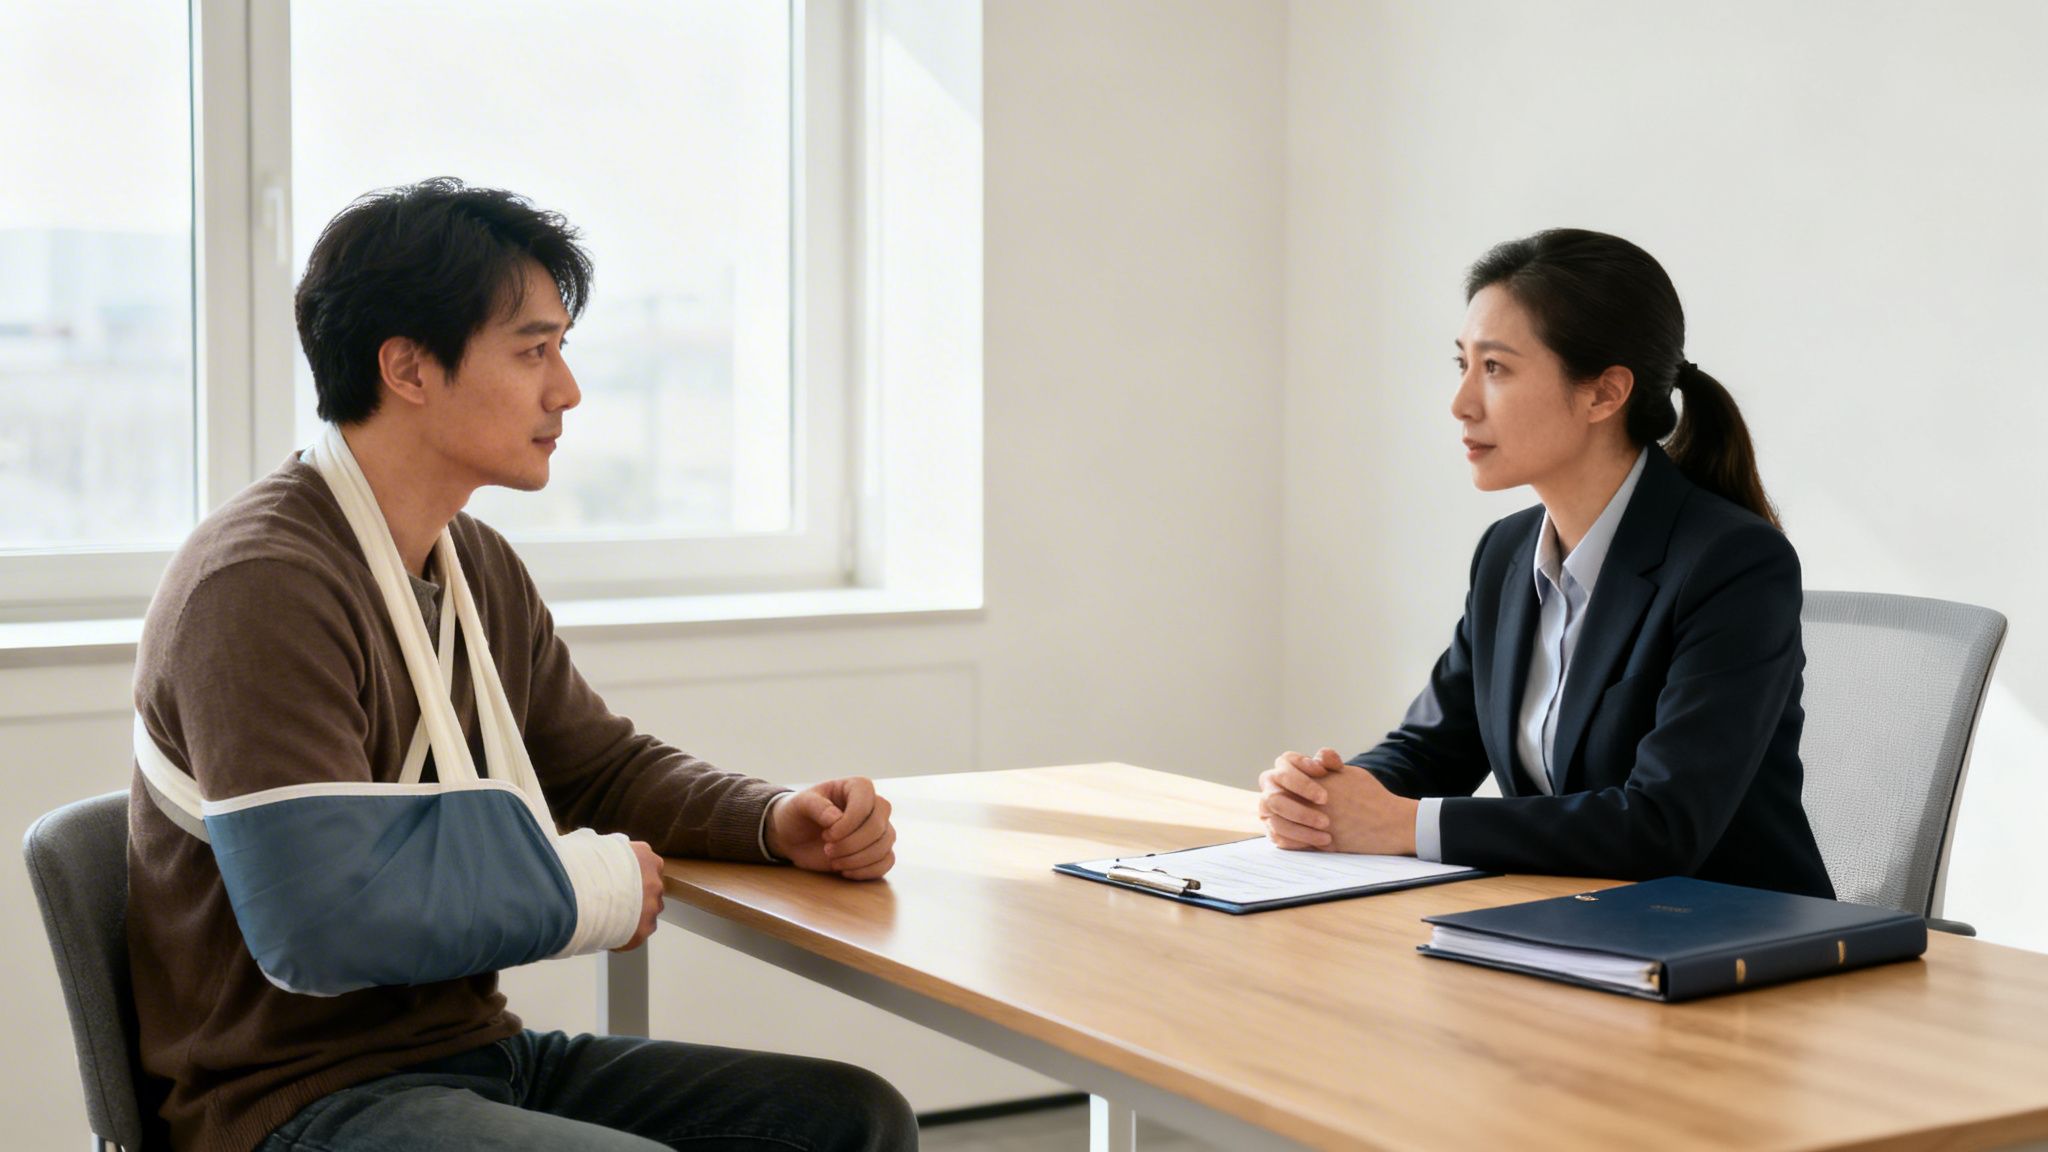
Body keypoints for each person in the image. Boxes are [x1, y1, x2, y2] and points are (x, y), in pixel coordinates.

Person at [128, 178, 919, 1152]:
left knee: (848, 1119)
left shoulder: (473, 564)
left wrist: (769, 818)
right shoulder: (259, 583)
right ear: (409, 369)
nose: (567, 391)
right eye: (533, 351)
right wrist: (592, 886)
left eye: (562, 350)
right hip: (295, 1101)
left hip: (470, 1056)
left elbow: (593, 769)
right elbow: (317, 927)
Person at [1258, 228, 1834, 899]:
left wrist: (1404, 824)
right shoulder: (1507, 552)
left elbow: (1662, 825)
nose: (1461, 403)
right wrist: (1323, 799)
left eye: (1496, 369)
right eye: (1463, 365)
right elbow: (1436, 747)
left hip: (1733, 948)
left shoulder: (1733, 564)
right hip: (1570, 926)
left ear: (1603, 394)